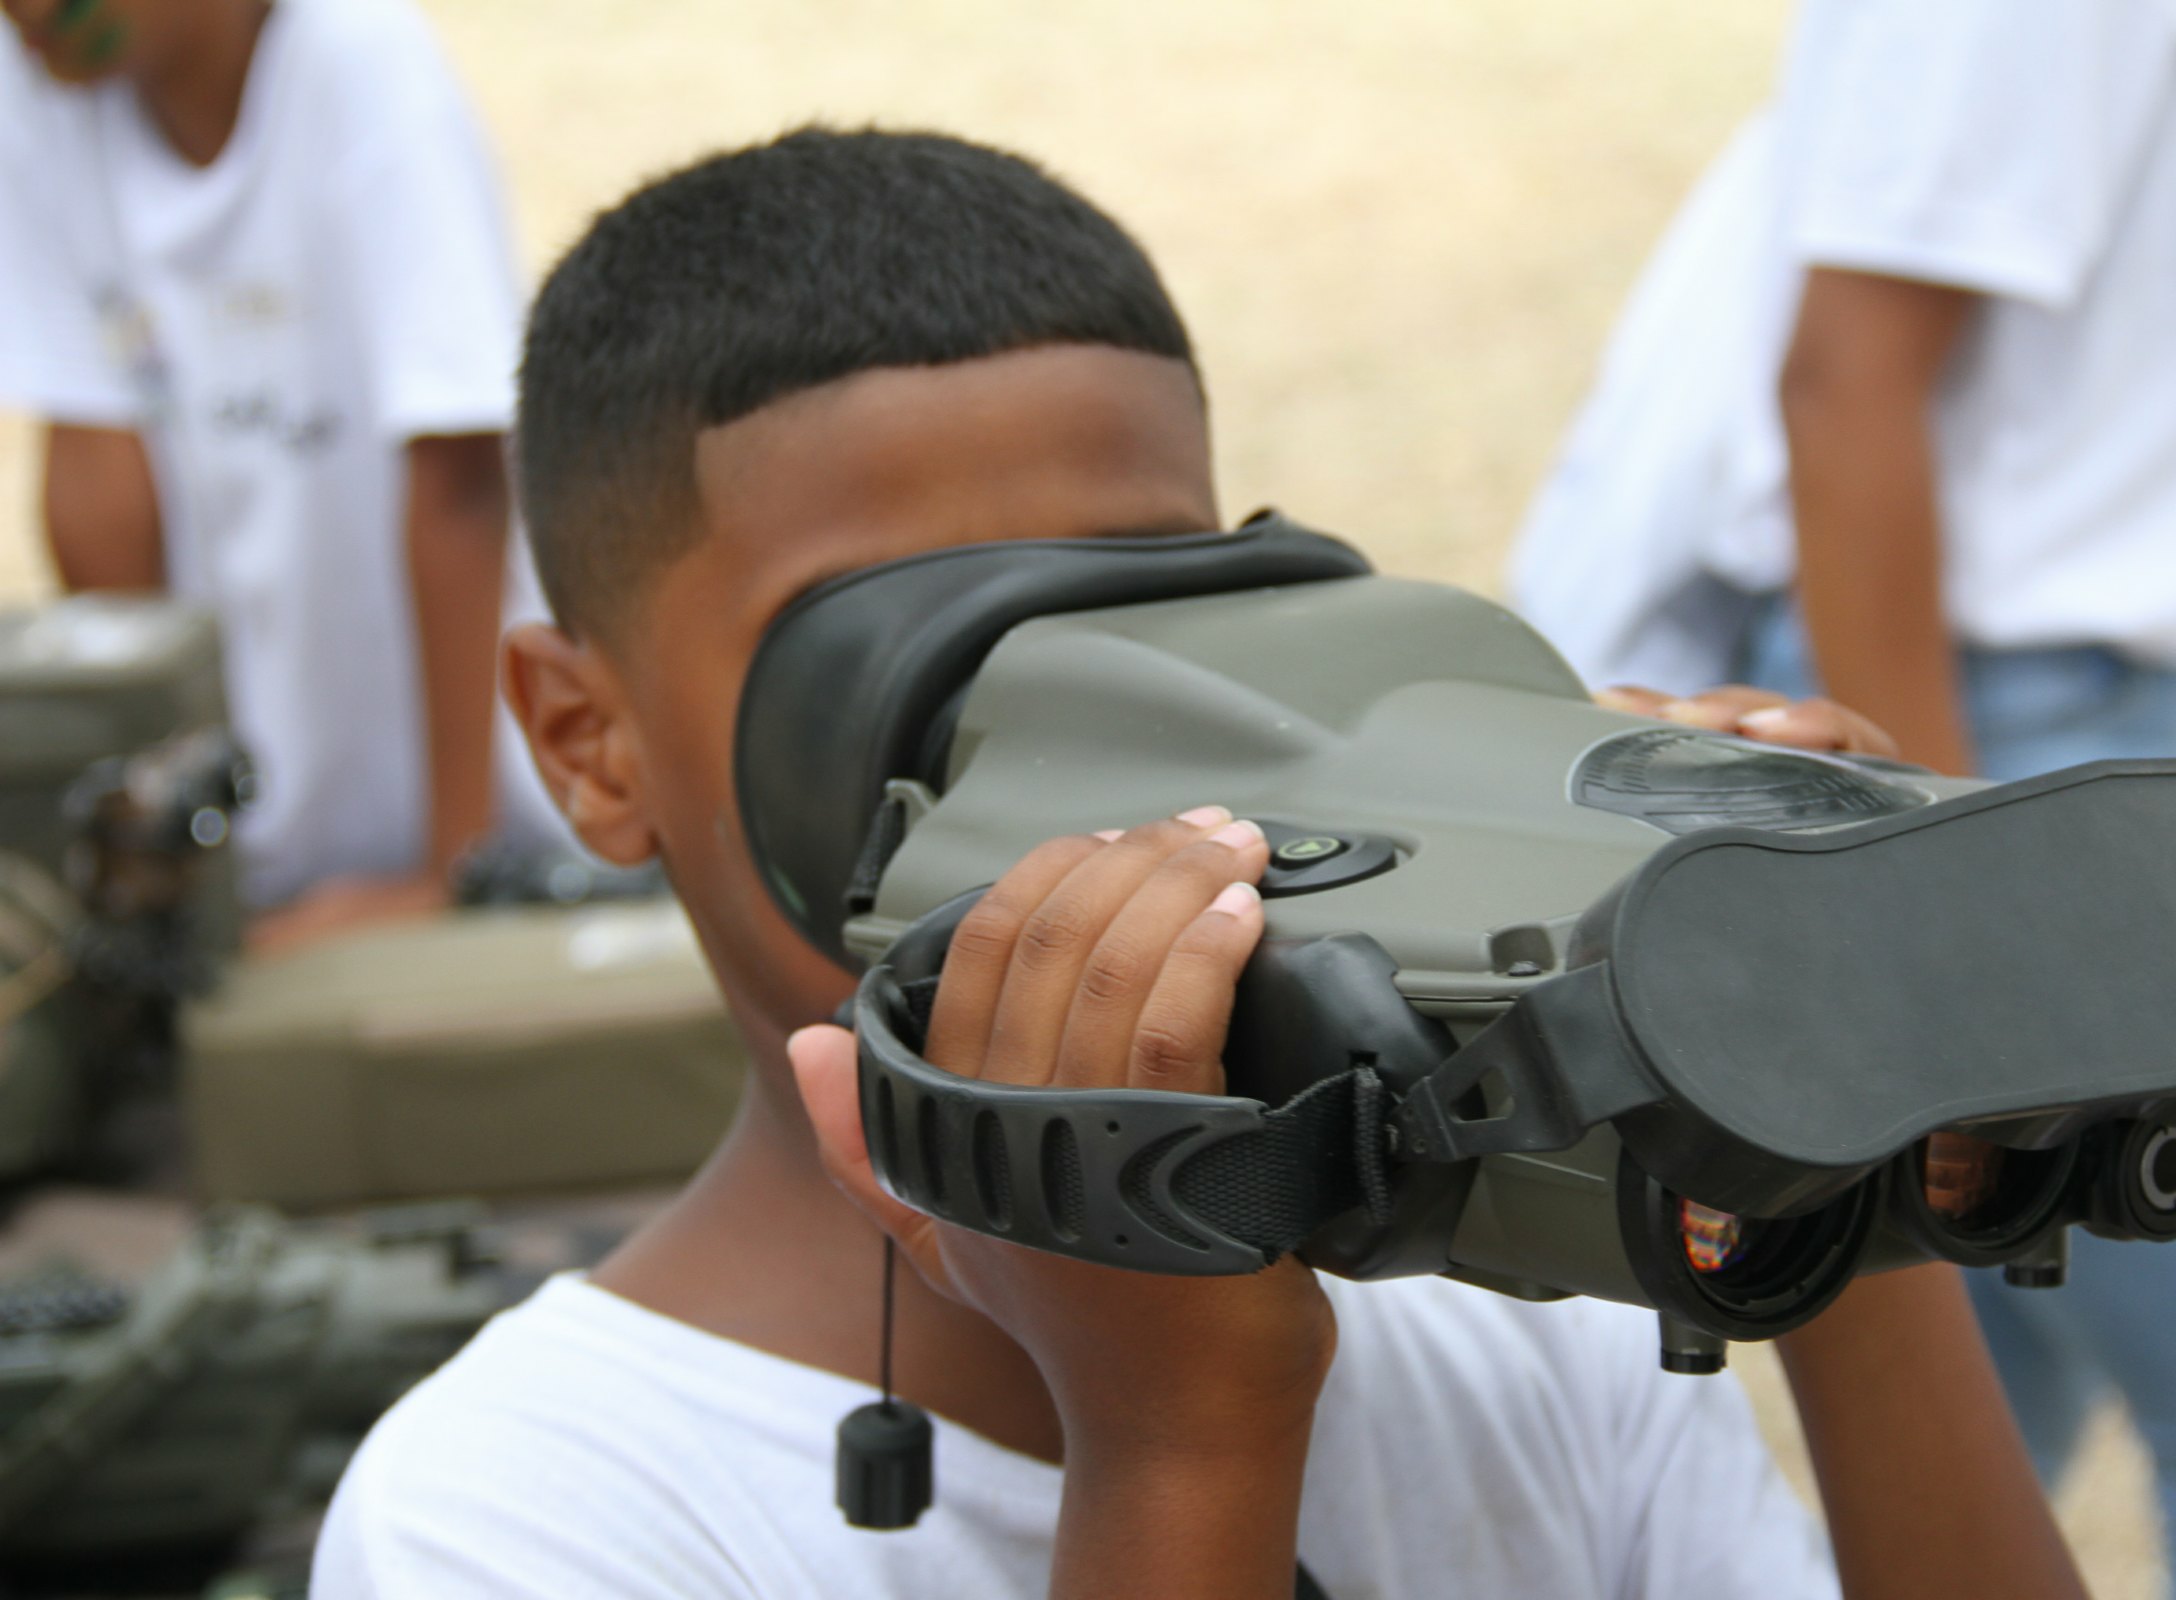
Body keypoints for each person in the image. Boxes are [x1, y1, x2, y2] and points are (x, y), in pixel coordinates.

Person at [310, 126, 2086, 1599]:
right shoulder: (518, 1519)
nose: (1081, 762)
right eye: (902, 665)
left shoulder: (1516, 1298)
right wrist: (1180, 1440)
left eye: (1148, 624)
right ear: (584, 742)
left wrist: (1827, 1134)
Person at [1509, 2, 2176, 1594]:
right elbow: (1848, 383)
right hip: (1997, 748)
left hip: (2082, 736)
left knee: (1995, 1435)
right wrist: (1949, 879)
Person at [0, 0, 562, 948]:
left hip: (488, 820)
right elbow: (99, 476)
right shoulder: (46, 80)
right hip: (263, 842)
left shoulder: (358, 59)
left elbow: (458, 469)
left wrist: (452, 866)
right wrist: (170, 853)